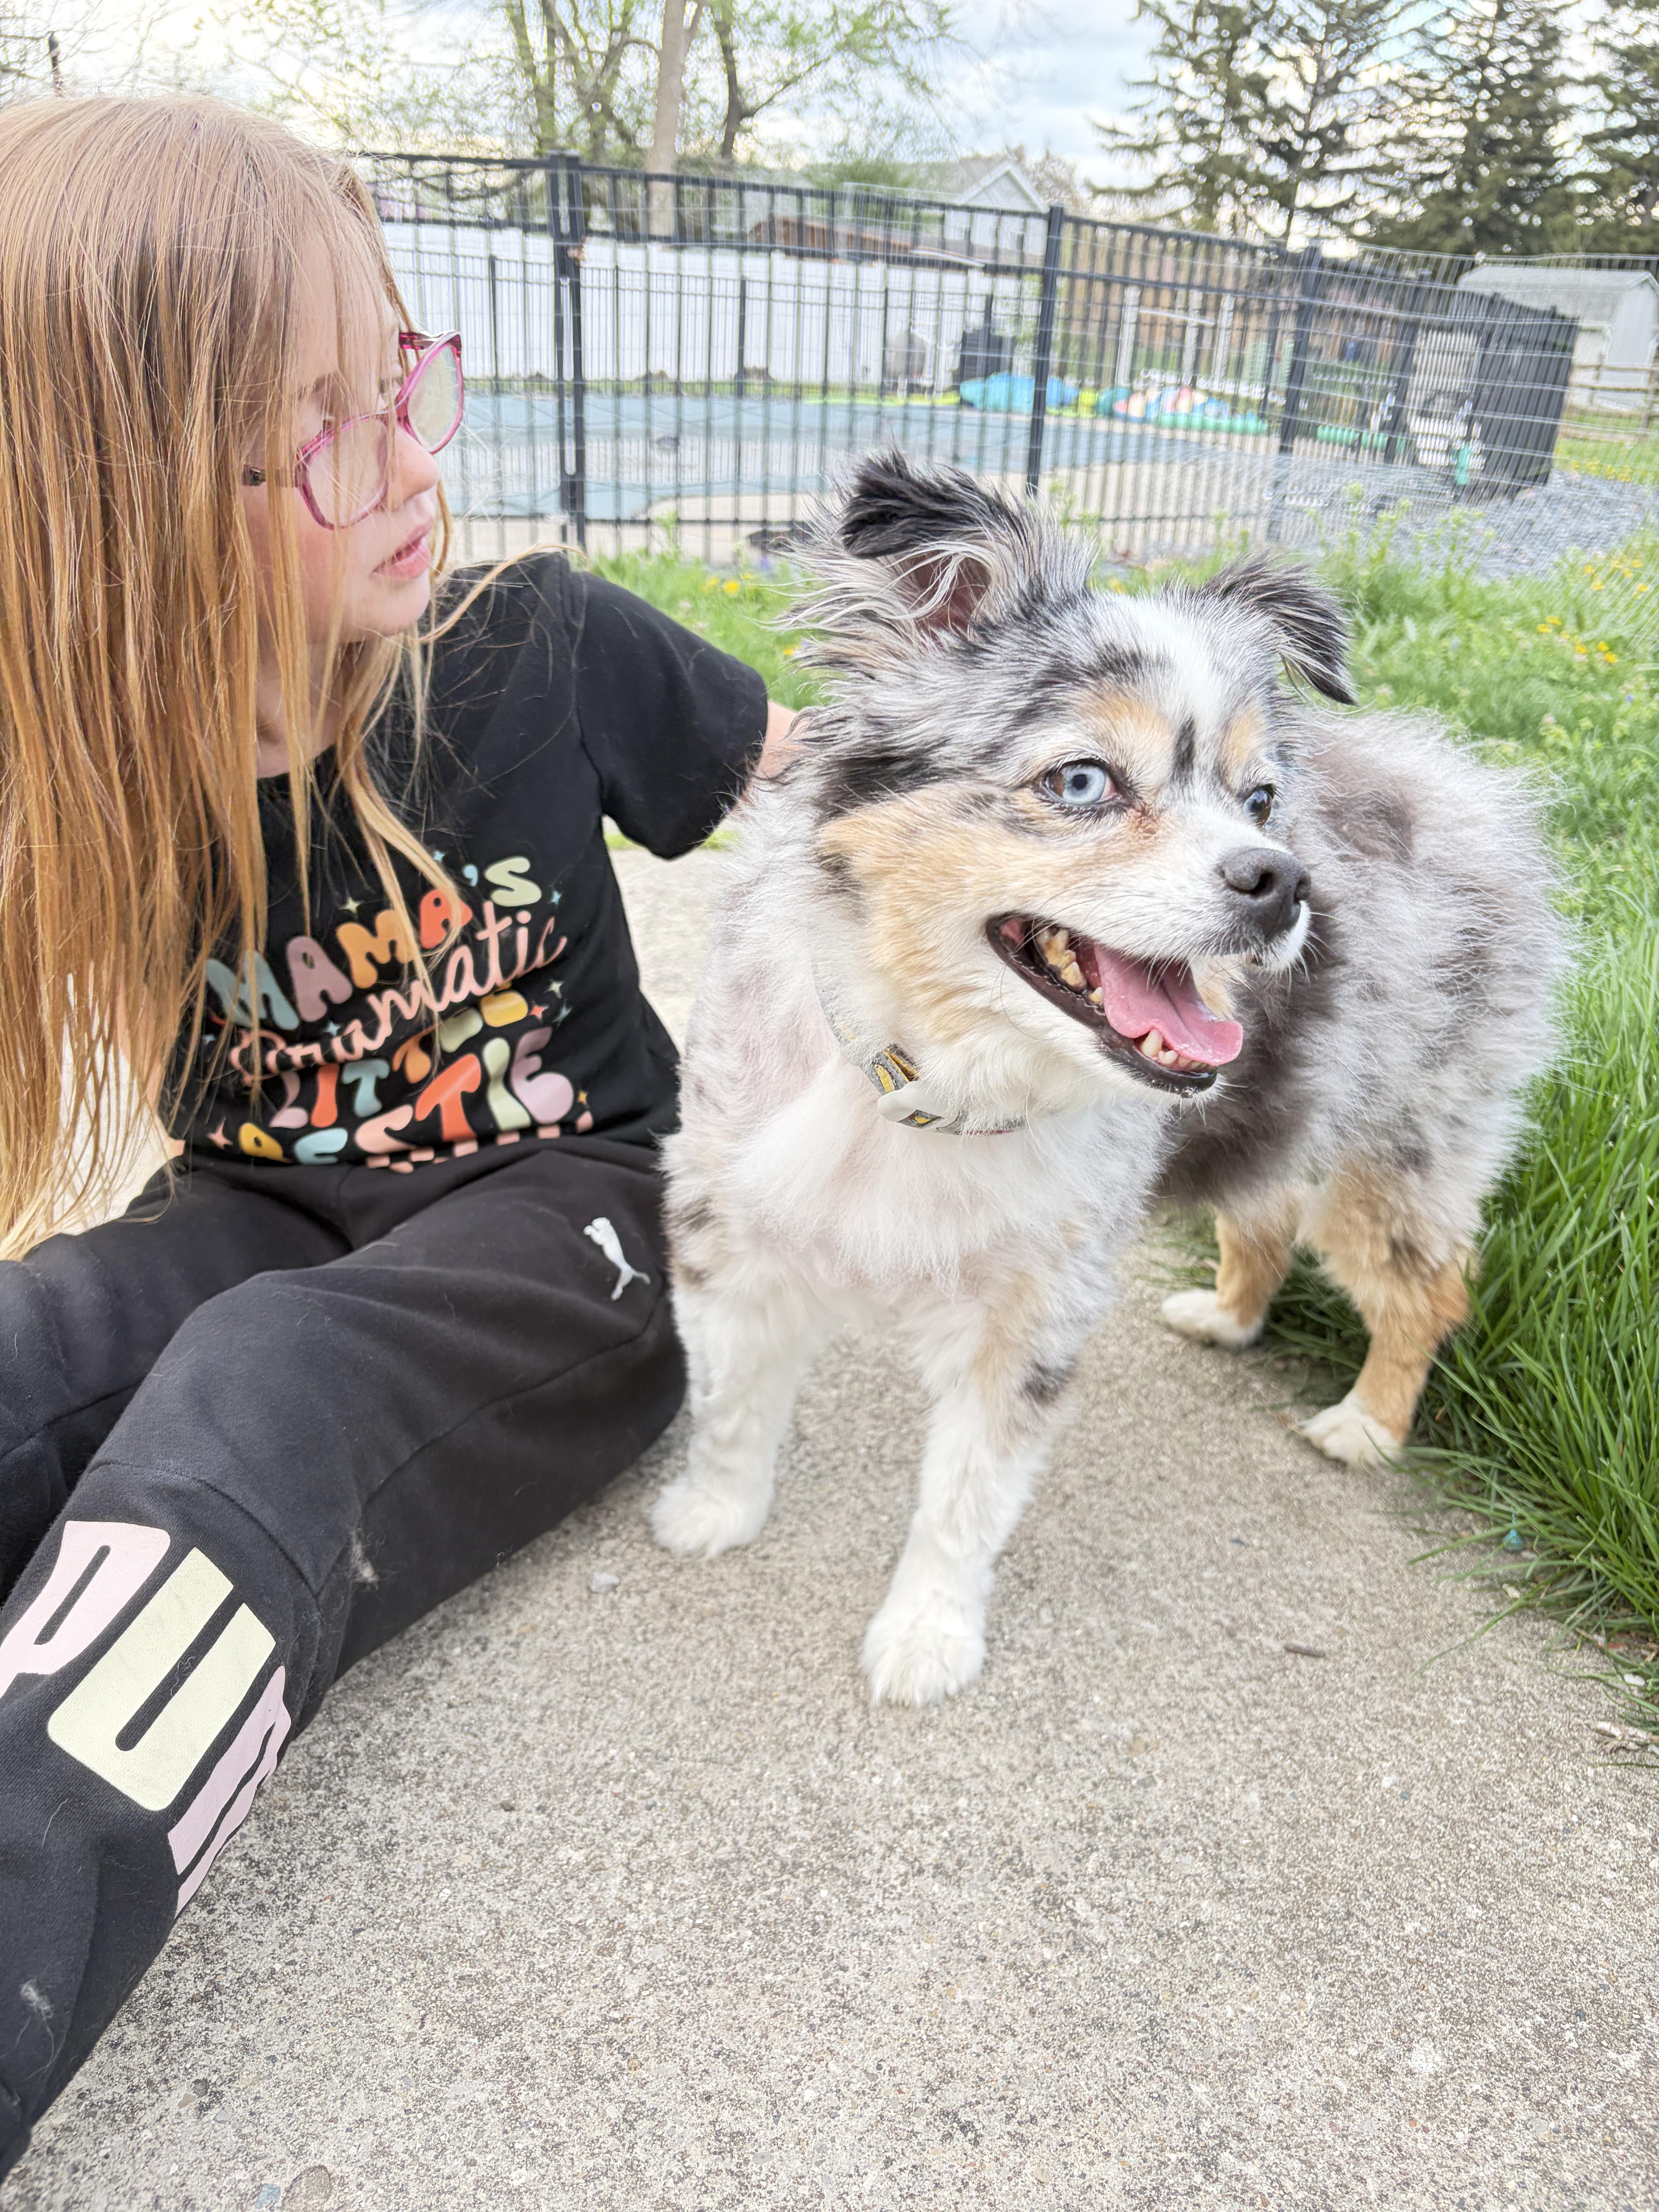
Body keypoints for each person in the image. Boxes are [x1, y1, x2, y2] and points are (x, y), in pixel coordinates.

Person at [0, 94, 796, 2180]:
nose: (419, 457)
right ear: (120, 506)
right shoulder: (100, 767)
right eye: (326, 422)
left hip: (578, 1217)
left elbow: (834, 796)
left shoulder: (538, 645)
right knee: (56, 1338)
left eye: (406, 373)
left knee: (265, 1385)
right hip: (258, 1208)